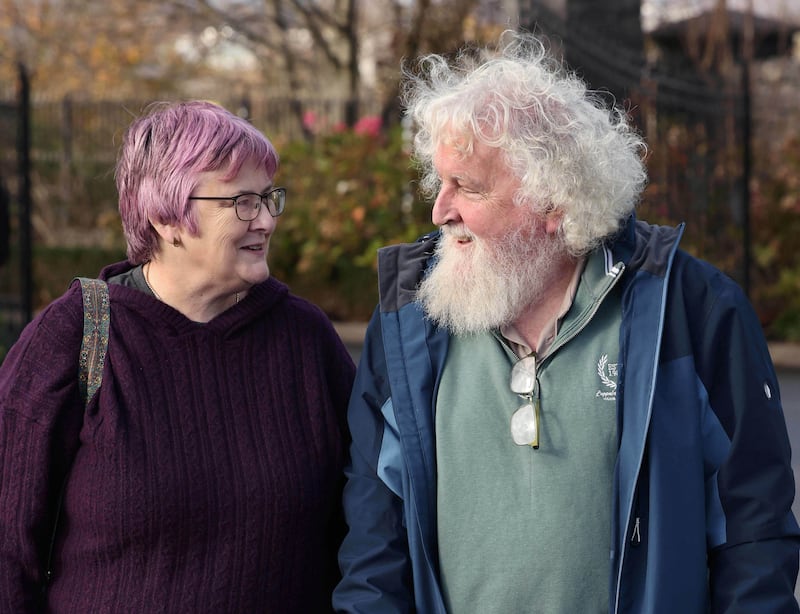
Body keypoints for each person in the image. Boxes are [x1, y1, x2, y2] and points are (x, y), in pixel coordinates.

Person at [333, 32, 800, 613]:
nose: (440, 209)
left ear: (554, 203)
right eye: (440, 181)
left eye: (468, 187)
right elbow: (375, 545)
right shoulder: (410, 316)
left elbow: (753, 536)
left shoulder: (694, 310)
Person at [0, 100, 355, 612]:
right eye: (242, 202)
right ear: (166, 217)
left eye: (268, 198)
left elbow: (365, 522)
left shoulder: (305, 338)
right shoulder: (77, 334)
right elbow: (9, 550)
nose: (266, 221)